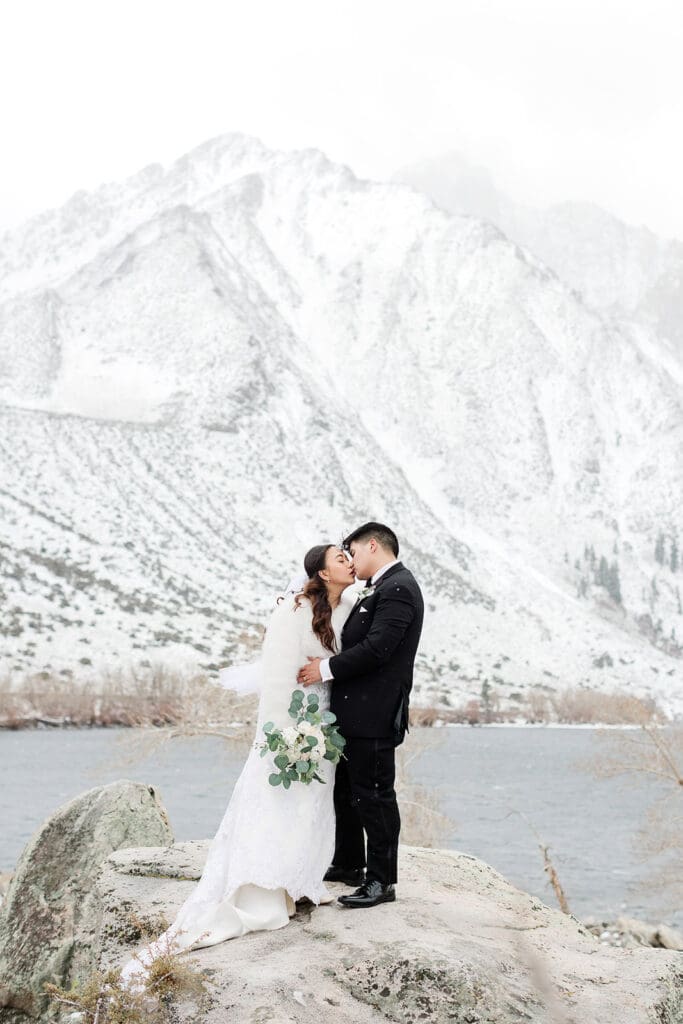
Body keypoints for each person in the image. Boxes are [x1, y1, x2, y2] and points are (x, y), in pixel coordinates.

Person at [119, 544, 356, 989]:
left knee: (312, 807)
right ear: (321, 573)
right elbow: (276, 675)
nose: (347, 559)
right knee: (278, 804)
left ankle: (295, 883)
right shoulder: (295, 608)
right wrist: (283, 737)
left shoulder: (348, 606)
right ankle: (261, 892)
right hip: (291, 727)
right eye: (338, 557)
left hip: (324, 722)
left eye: (349, 554)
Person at [298, 522, 424, 909]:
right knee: (348, 793)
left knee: (374, 796)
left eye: (352, 551)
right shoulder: (382, 588)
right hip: (353, 715)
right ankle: (349, 862)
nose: (350, 559)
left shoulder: (399, 588)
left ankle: (382, 880)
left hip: (375, 714)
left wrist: (326, 669)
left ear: (372, 545)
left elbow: (378, 648)